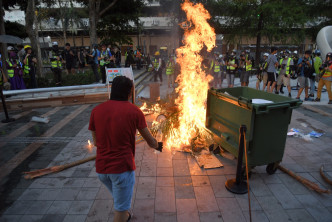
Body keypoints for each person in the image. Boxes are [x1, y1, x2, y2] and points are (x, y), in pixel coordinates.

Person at [89, 76, 159, 222]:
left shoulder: (96, 111)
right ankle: (123, 215)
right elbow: (150, 142)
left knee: (120, 198)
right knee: (120, 208)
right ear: (129, 93)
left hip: (102, 170)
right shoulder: (134, 111)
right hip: (121, 169)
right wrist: (158, 145)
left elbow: (96, 142)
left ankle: (126, 215)